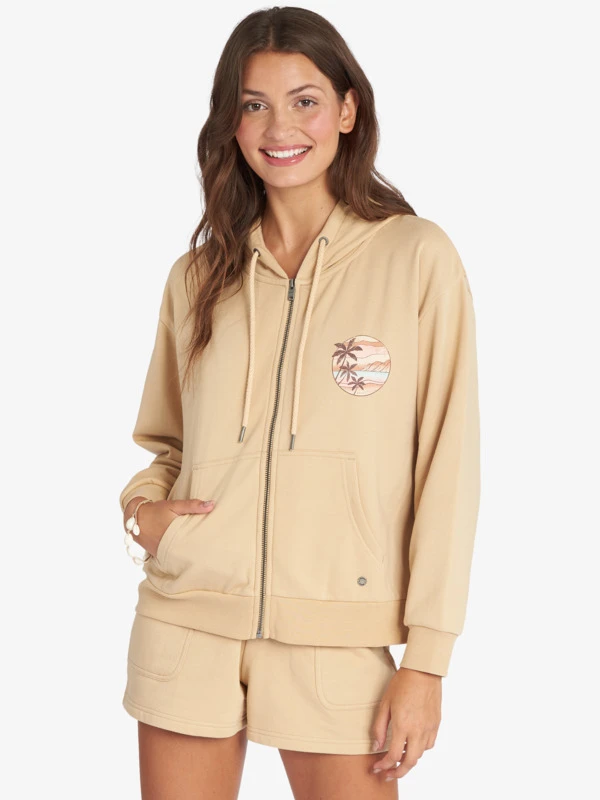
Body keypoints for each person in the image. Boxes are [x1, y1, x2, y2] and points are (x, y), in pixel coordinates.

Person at [119, 6, 481, 798]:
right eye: (254, 104)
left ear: (348, 110)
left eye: (305, 101)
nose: (280, 127)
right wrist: (143, 513)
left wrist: (427, 661)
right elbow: (168, 444)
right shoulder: (198, 277)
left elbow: (447, 468)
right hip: (186, 623)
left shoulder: (415, 258)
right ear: (232, 121)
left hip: (339, 635)